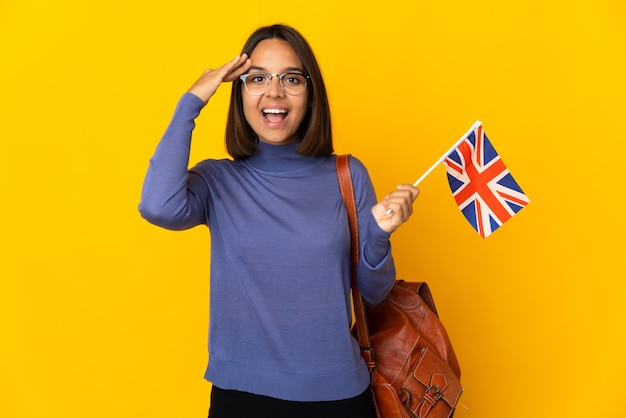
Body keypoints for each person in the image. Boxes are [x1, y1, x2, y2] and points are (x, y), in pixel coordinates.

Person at [139, 24, 419, 418]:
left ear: (310, 93)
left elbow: (374, 293)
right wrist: (192, 100)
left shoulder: (347, 175)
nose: (274, 93)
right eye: (257, 79)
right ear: (238, 93)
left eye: (291, 78)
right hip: (241, 398)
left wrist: (379, 236)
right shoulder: (218, 180)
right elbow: (157, 206)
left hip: (339, 398)